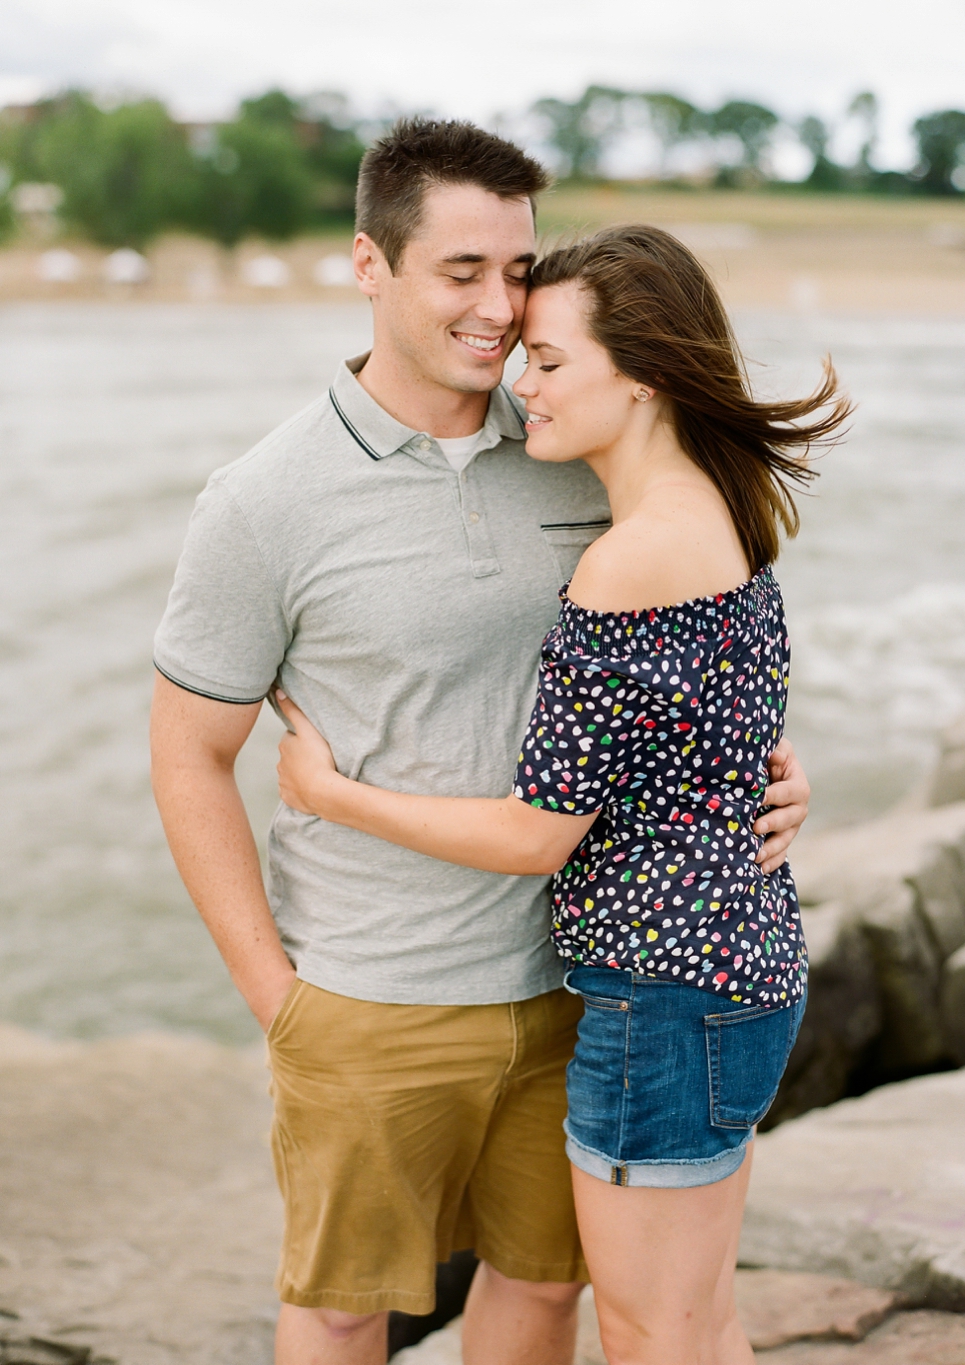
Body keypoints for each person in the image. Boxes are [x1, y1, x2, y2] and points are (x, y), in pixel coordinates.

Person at [149, 120, 812, 1365]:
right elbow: (187, 753)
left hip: (579, 983)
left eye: (516, 272)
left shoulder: (572, 443)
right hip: (372, 990)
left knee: (548, 1292)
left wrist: (760, 776)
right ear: (370, 264)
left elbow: (683, 655)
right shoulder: (262, 500)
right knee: (347, 1305)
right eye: (463, 272)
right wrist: (275, 998)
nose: (500, 312)